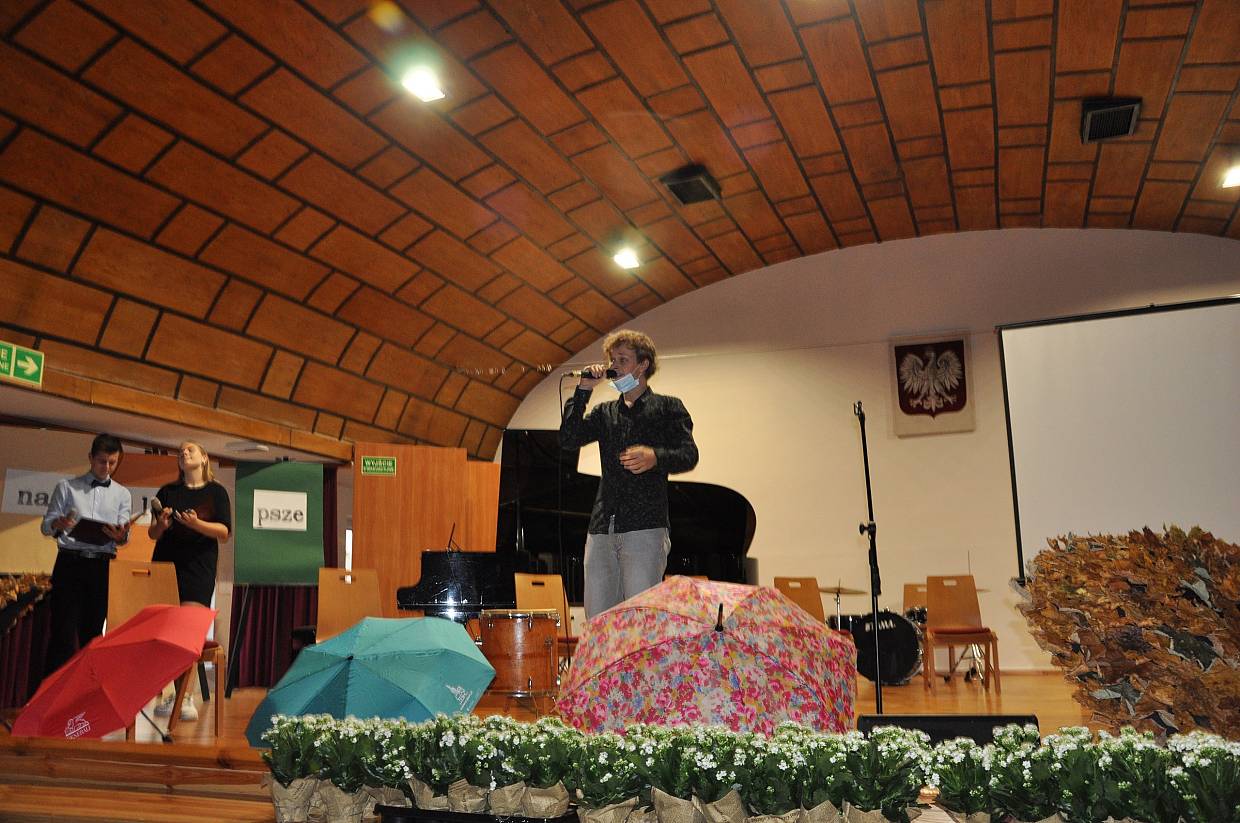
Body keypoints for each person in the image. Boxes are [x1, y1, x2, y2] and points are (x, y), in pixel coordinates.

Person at [560, 330, 698, 617]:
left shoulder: (668, 407)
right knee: (598, 620)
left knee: (640, 619)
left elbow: (689, 454)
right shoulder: (605, 412)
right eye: (612, 360)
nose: (615, 366)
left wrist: (655, 457)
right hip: (602, 528)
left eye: (623, 360)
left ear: (642, 365)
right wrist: (583, 390)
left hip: (644, 527)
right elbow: (568, 439)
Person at [148, 441, 231, 721]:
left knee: (187, 633)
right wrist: (162, 525)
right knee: (167, 636)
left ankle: (185, 696)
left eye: (190, 450)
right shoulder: (167, 492)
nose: (184, 453)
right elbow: (153, 534)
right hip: (166, 566)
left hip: (198, 569)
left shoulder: (216, 492)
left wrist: (196, 524)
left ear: (204, 458)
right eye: (181, 451)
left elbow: (224, 532)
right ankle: (173, 693)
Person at [40, 433, 132, 677]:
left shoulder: (123, 494)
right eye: (102, 461)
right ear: (91, 458)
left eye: (113, 462)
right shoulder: (66, 487)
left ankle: (86, 691)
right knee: (62, 632)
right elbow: (46, 526)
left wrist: (120, 535)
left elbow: (124, 534)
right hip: (70, 563)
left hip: (100, 567)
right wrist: (58, 523)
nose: (107, 467)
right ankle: (53, 693)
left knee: (92, 634)